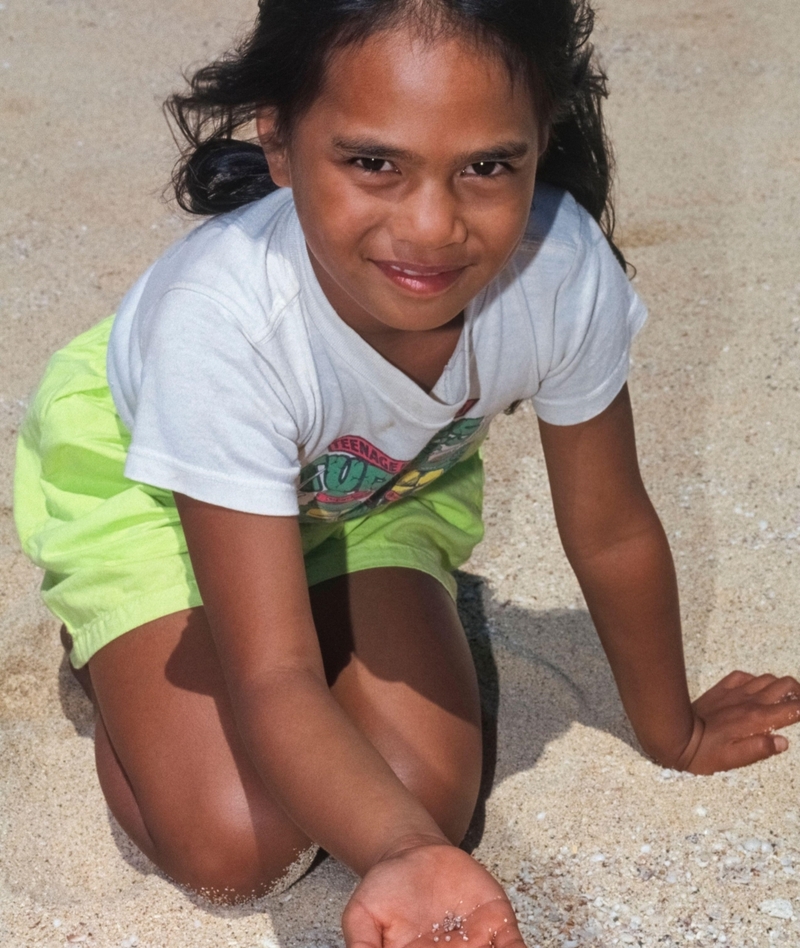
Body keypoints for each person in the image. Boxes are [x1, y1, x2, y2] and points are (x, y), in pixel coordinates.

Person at [14, 0, 800, 945]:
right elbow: (275, 673)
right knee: (238, 844)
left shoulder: (560, 267)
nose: (432, 228)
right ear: (278, 137)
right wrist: (397, 855)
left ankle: (303, 604)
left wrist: (672, 730)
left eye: (487, 167)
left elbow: (611, 529)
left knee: (422, 793)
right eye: (374, 162)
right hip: (156, 487)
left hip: (370, 487)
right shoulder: (219, 330)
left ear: (539, 142)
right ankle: (117, 657)